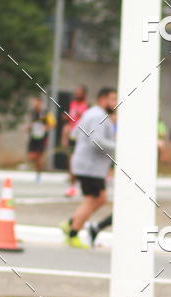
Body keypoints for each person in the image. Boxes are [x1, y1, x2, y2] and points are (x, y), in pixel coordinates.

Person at [60, 87, 116, 249]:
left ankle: (70, 223)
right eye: (112, 99)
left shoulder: (93, 114)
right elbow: (97, 141)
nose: (115, 103)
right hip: (90, 166)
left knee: (98, 199)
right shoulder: (98, 116)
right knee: (94, 199)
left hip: (90, 165)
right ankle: (72, 234)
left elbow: (75, 133)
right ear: (102, 99)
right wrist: (119, 146)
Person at [62, 85, 88, 197]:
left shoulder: (86, 107)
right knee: (71, 160)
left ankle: (80, 184)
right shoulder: (72, 104)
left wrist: (80, 115)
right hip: (73, 136)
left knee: (80, 161)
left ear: (84, 94)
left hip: (82, 136)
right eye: (76, 92)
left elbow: (86, 120)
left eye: (79, 92)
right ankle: (72, 186)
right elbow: (69, 122)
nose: (77, 94)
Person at [26, 97, 56, 180]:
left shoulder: (46, 113)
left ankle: (38, 173)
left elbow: (53, 124)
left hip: (42, 137)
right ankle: (38, 169)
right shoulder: (32, 113)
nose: (35, 105)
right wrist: (28, 128)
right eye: (34, 103)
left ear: (40, 104)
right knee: (31, 156)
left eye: (37, 103)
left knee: (39, 156)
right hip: (33, 137)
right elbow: (31, 124)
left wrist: (45, 127)